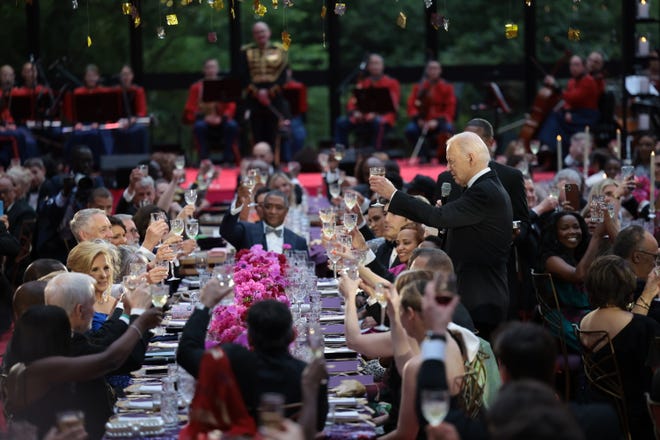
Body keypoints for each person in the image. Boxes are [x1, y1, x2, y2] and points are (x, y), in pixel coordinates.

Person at [371, 131, 512, 339]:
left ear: (470, 158)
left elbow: (437, 217)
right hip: (477, 294)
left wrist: (393, 195)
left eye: (451, 161)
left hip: (481, 299)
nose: (448, 168)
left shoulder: (484, 191)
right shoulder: (484, 188)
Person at [3, 303, 160, 439]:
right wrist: (139, 324)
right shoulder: (43, 369)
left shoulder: (22, 367)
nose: (71, 337)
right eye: (66, 331)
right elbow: (109, 360)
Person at [181, 299, 328, 438]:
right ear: (292, 335)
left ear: (250, 338)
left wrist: (205, 305)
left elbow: (186, 352)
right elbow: (318, 427)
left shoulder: (229, 365)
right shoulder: (308, 375)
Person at [436, 118, 530, 319]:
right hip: (454, 269)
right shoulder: (446, 178)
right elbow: (441, 220)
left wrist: (514, 234)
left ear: (489, 144)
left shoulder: (509, 176)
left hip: (491, 270)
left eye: (476, 140)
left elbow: (524, 221)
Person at [579, 255, 660, 440]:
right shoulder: (644, 327)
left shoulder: (585, 320)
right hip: (635, 417)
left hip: (595, 407)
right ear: (628, 287)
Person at [537, 55, 600, 155]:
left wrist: (556, 86)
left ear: (583, 66)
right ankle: (549, 148)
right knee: (554, 115)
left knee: (555, 118)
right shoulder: (571, 81)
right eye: (571, 65)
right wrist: (567, 111)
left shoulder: (589, 81)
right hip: (574, 113)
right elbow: (567, 102)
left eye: (576, 65)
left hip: (585, 116)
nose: (573, 68)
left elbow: (573, 98)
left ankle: (548, 146)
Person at [241, 22, 290, 151]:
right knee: (255, 130)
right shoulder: (247, 52)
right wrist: (257, 93)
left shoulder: (280, 51)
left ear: (269, 33)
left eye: (263, 31)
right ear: (254, 35)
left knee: (274, 131)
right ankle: (256, 162)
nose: (260, 35)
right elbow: (243, 76)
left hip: (274, 97)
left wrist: (269, 93)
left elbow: (283, 76)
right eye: (257, 32)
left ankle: (274, 163)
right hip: (253, 97)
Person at [335, 54, 400, 150]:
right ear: (368, 66)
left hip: (382, 116)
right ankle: (340, 154)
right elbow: (352, 103)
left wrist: (375, 114)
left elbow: (393, 105)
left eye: (377, 63)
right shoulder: (363, 83)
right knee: (341, 122)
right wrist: (355, 112)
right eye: (372, 64)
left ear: (382, 66)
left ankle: (376, 153)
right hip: (363, 116)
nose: (374, 66)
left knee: (378, 122)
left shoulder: (391, 83)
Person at [183, 58, 238, 164]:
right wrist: (204, 117)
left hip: (222, 120)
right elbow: (190, 108)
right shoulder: (196, 87)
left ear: (217, 69)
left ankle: (228, 159)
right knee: (199, 127)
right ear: (204, 70)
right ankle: (204, 159)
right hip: (204, 119)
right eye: (208, 67)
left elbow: (231, 106)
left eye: (213, 67)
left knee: (232, 126)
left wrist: (222, 118)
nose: (211, 70)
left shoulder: (225, 85)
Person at [220, 188, 307, 253]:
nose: (273, 211)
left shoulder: (299, 241)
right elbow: (226, 231)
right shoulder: (246, 231)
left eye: (279, 208)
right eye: (268, 207)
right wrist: (237, 205)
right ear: (262, 208)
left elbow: (306, 270)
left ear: (286, 211)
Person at [405, 60, 456, 162]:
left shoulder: (447, 87)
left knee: (448, 129)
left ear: (440, 71)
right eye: (431, 68)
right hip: (422, 121)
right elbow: (411, 106)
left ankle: (442, 156)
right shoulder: (419, 87)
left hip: (439, 121)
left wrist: (437, 121)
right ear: (427, 71)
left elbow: (450, 108)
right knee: (410, 130)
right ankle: (424, 155)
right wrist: (418, 119)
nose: (433, 71)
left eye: (435, 68)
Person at [66, 240, 120, 330]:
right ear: (80, 273)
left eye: (106, 268)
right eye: (95, 269)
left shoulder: (115, 302)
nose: (103, 275)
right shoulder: (76, 309)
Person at [611, 225, 660, 322]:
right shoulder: (612, 285)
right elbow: (630, 330)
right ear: (637, 257)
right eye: (655, 257)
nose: (655, 264)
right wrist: (648, 294)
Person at [113, 65, 149, 155]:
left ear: (132, 76)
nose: (125, 77)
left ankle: (141, 161)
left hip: (134, 122)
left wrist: (130, 121)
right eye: (123, 75)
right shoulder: (115, 91)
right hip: (118, 123)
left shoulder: (138, 90)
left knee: (140, 130)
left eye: (127, 74)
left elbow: (141, 112)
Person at [281, 69, 307, 162]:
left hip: (294, 117)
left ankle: (296, 160)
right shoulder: (275, 88)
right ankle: (286, 161)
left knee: (299, 134)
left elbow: (303, 107)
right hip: (277, 117)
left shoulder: (298, 87)